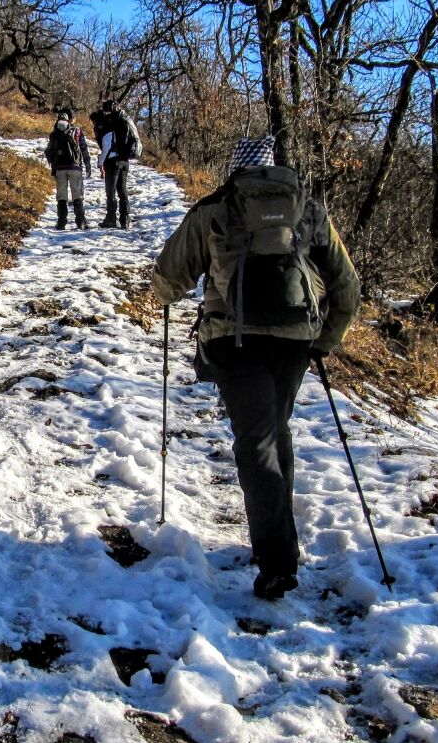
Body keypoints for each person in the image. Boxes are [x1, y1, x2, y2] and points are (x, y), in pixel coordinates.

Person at [151, 136, 360, 600]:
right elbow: (346, 285)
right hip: (293, 340)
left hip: (235, 340)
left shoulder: (216, 208)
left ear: (237, 170)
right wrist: (324, 340)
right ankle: (280, 541)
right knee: (273, 430)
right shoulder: (307, 208)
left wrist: (164, 294)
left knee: (257, 441)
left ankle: (277, 562)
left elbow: (168, 278)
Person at [94, 99, 140, 229]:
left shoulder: (111, 125)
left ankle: (110, 219)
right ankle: (125, 218)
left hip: (113, 162)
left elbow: (107, 147)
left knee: (111, 191)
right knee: (122, 190)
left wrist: (100, 163)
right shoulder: (123, 122)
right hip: (124, 161)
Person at [43, 107, 88, 230]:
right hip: (75, 167)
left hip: (59, 168)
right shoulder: (77, 131)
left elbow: (49, 150)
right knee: (77, 195)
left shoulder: (54, 133)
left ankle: (61, 222)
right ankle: (81, 222)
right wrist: (87, 164)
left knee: (61, 195)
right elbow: (83, 148)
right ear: (70, 119)